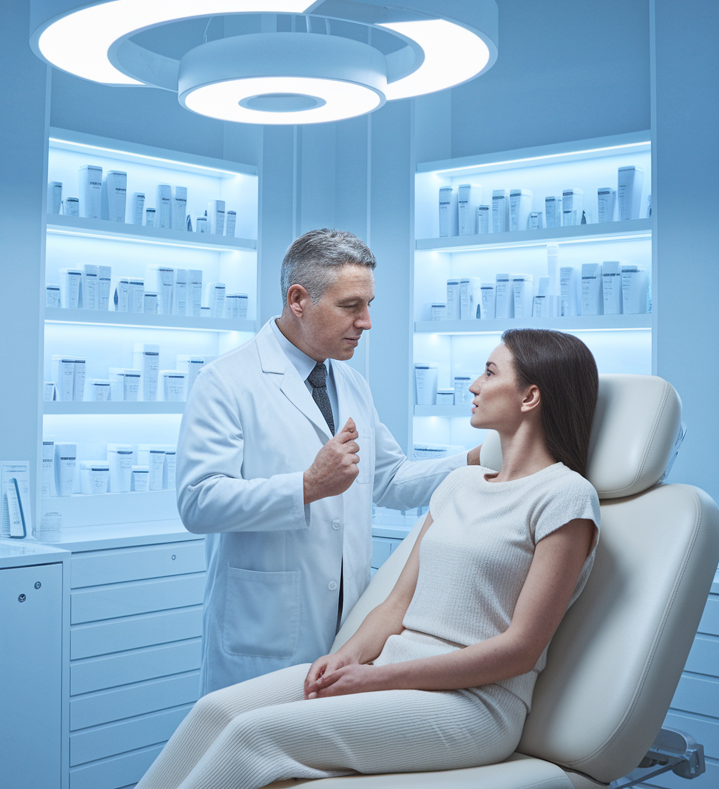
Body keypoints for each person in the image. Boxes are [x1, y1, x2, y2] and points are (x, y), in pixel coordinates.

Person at [140, 329, 602, 789]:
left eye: (488, 372)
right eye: (350, 305)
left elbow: (520, 651)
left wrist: (377, 680)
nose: (473, 386)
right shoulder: (461, 484)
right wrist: (345, 659)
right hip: (391, 671)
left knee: (251, 734)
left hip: (474, 705)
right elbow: (396, 605)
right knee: (214, 712)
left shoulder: (566, 497)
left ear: (531, 396)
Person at [176, 229, 479, 694]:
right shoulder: (226, 381)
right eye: (351, 306)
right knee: (256, 759)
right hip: (265, 632)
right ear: (299, 299)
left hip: (347, 626)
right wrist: (306, 486)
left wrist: (474, 460)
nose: (367, 322)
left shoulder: (351, 382)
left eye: (369, 304)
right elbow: (199, 502)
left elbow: (390, 481)